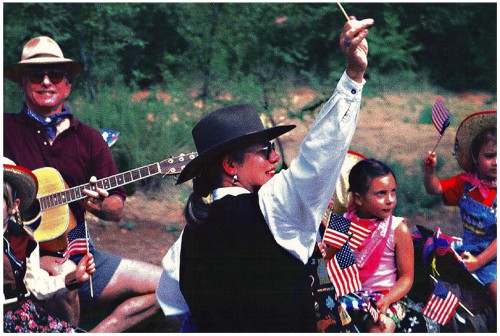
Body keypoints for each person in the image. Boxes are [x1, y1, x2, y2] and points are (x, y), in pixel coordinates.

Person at [156, 16, 374, 332]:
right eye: (264, 150)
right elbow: (319, 156)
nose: (275, 157)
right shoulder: (271, 208)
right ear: (230, 165)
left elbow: (173, 307)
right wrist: (353, 76)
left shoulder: (183, 244)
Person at [4, 36, 162, 332]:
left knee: (169, 286)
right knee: (65, 275)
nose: (47, 81)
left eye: (56, 74)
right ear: (23, 82)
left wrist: (102, 204)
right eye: (37, 74)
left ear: (68, 84)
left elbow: (117, 209)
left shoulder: (88, 138)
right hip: (23, 254)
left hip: (80, 248)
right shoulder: (5, 128)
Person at [3, 158, 95, 332]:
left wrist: (73, 277)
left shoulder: (24, 241)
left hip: (19, 318)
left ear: (13, 207)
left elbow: (36, 286)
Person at [423, 110, 496, 308]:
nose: (496, 162)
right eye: (490, 156)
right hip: (469, 249)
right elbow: (434, 188)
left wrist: (479, 262)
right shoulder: (465, 184)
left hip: (493, 257)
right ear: (474, 157)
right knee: (428, 261)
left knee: (496, 291)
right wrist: (430, 172)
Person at [336, 158, 414, 332]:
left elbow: (407, 277)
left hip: (387, 297)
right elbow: (334, 266)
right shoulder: (343, 224)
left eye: (393, 192)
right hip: (352, 295)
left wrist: (387, 300)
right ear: (358, 198)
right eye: (381, 193)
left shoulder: (398, 229)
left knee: (377, 330)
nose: (390, 200)